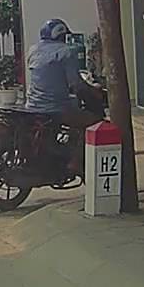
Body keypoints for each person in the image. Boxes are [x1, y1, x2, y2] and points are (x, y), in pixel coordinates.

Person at [25, 18, 106, 174]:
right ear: (61, 35)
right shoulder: (66, 52)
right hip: (56, 108)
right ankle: (75, 162)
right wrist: (94, 90)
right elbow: (76, 85)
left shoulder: (33, 50)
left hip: (32, 106)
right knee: (94, 122)